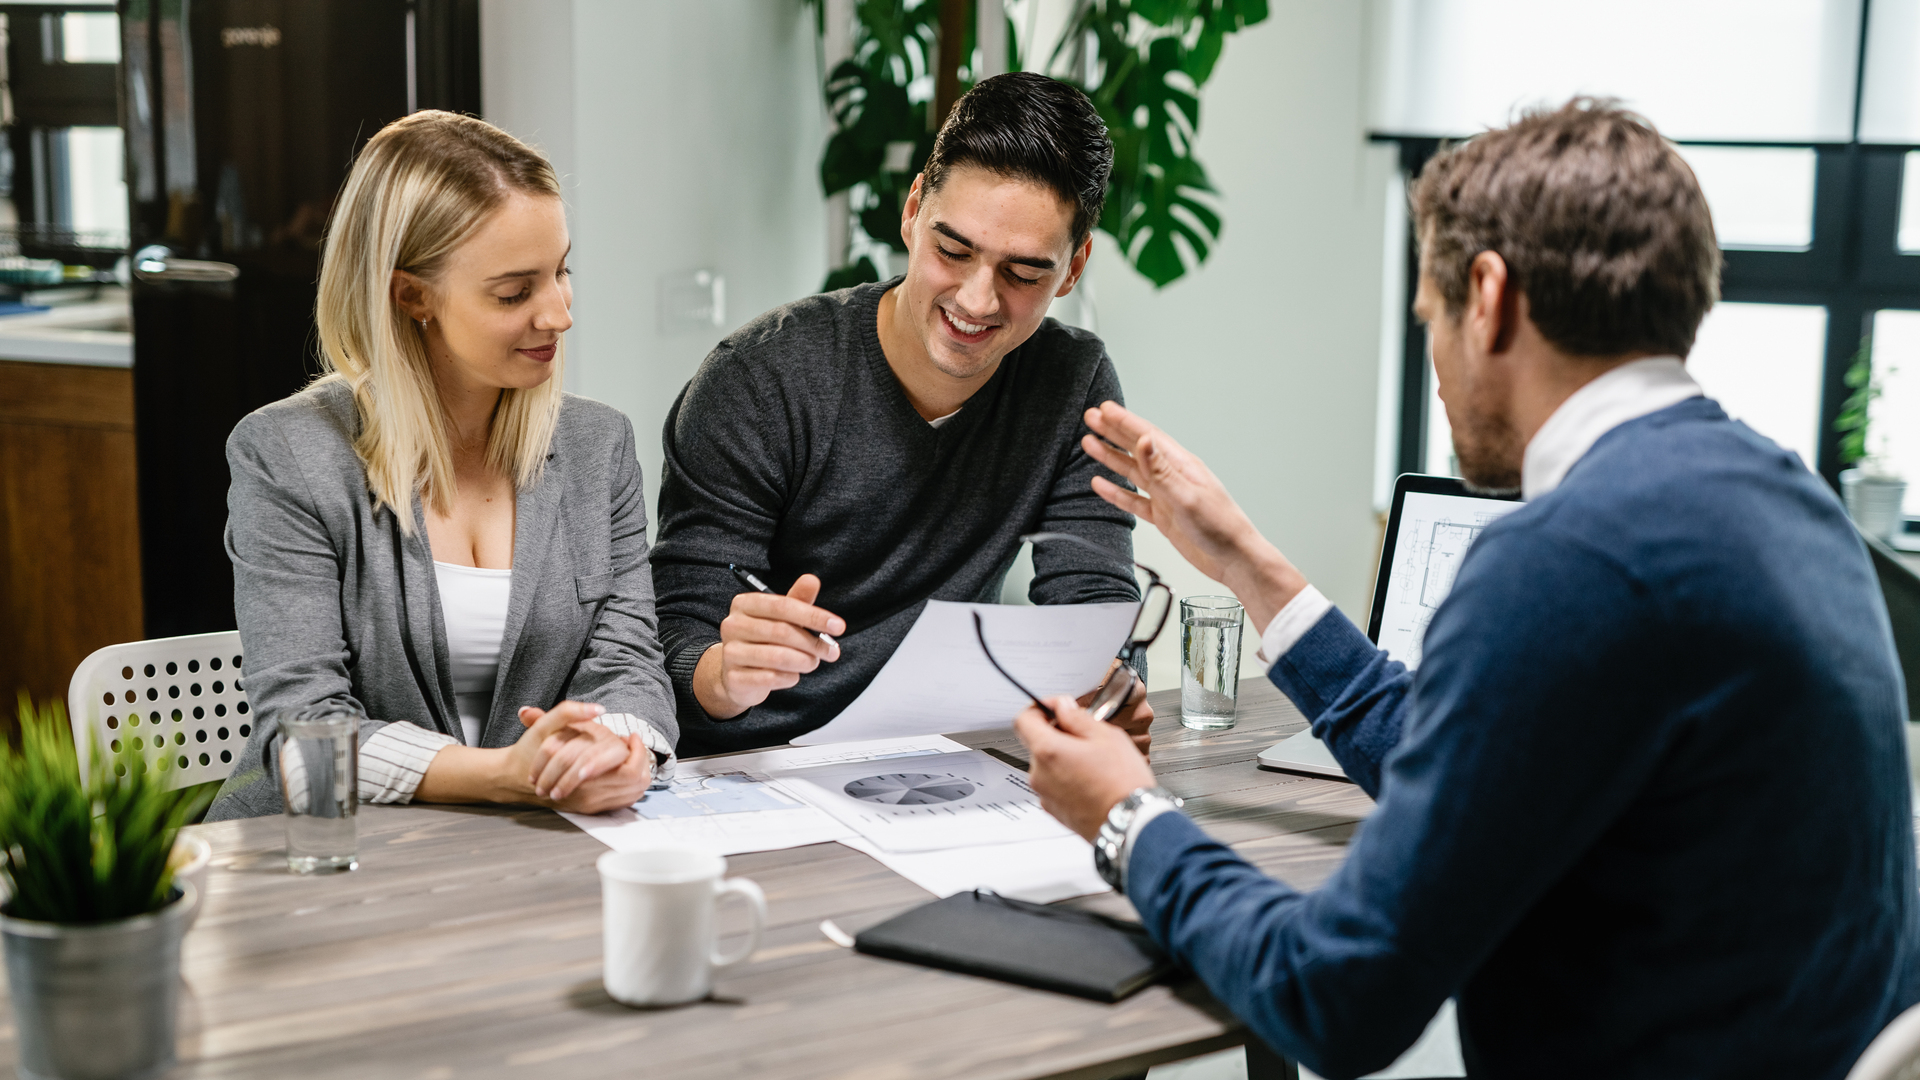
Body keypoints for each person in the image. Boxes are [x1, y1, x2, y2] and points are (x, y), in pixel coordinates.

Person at [1012, 99, 1920, 1079]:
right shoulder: (1791, 499)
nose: (1438, 368)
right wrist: (1246, 560)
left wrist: (1129, 816)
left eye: (1431, 320)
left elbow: (1333, 997)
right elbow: (1478, 766)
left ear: (1487, 295)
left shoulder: (1564, 557)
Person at [651, 72, 1151, 756]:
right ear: (914, 211)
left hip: (941, 760)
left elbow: (1092, 604)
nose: (977, 301)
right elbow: (675, 632)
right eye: (953, 250)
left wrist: (1107, 689)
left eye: (1024, 273)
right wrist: (719, 674)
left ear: (1072, 269)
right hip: (754, 766)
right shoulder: (759, 381)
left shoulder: (1071, 383)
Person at [206, 112, 676, 822]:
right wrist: (507, 775)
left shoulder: (596, 445)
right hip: (324, 859)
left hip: (524, 849)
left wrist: (614, 751)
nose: (559, 314)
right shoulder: (287, 456)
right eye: (514, 292)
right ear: (411, 296)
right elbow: (302, 738)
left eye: (562, 272)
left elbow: (631, 665)